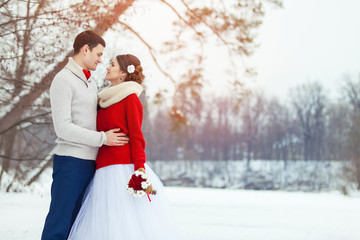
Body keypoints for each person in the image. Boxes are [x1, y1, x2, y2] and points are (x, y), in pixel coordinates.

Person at [67, 54, 182, 240]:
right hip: (102, 170)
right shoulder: (102, 101)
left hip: (122, 169)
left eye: (112, 65)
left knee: (123, 223)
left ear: (122, 73)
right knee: (103, 223)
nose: (107, 67)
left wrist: (139, 170)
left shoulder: (130, 100)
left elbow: (137, 137)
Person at [41, 30, 129, 240]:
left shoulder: (90, 83)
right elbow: (63, 127)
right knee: (58, 223)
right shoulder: (63, 80)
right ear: (85, 49)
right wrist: (102, 138)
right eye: (98, 54)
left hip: (91, 163)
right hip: (70, 162)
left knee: (77, 225)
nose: (101, 60)